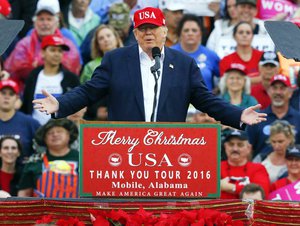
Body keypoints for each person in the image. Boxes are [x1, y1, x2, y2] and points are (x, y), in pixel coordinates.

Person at [33, 7, 266, 128]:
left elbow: (207, 101)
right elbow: (88, 91)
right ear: (135, 33)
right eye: (142, 29)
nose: (148, 33)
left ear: (165, 31)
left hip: (167, 152)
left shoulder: (184, 64)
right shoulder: (115, 60)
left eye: (153, 28)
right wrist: (60, 103)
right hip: (126, 149)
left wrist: (238, 115)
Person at [4, 0, 81, 92]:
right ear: (34, 23)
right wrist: (49, 63)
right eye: (41, 19)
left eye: (49, 19)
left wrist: (37, 63)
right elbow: (15, 69)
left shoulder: (67, 44)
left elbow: (71, 67)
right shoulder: (24, 44)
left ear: (57, 23)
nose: (45, 23)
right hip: (29, 92)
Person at [21, 34, 80, 125]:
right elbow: (26, 104)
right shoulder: (33, 76)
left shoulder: (71, 79)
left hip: (62, 131)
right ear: (42, 53)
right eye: (52, 50)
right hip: (35, 130)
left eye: (60, 51)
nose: (57, 54)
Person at [17, 119, 79, 198]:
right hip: (42, 210)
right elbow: (24, 194)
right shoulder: (34, 162)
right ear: (44, 139)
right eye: (50, 133)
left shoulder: (83, 160)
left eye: (59, 131)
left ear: (69, 135)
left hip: (76, 209)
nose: (55, 134)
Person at [247, 74, 300, 159]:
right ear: (269, 92)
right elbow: (248, 151)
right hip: (262, 169)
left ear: (290, 93)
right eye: (274, 88)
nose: (278, 92)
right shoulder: (257, 119)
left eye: (282, 88)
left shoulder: (298, 119)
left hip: (293, 168)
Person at [171, 14, 220, 92]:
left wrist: (217, 91)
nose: (190, 33)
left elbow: (225, 77)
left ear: (200, 33)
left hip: (204, 103)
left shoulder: (211, 55)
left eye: (194, 30)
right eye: (186, 30)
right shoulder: (169, 54)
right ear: (180, 34)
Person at [220, 129, 270, 199]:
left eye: (240, 145)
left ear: (249, 148)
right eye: (231, 144)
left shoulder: (258, 168)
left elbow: (262, 192)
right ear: (225, 146)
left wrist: (227, 187)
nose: (235, 149)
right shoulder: (216, 168)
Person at [0, 79, 40, 161]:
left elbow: (43, 147)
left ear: (17, 98)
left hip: (23, 172)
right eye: (3, 93)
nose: (7, 97)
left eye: (11, 94)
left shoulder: (30, 123)